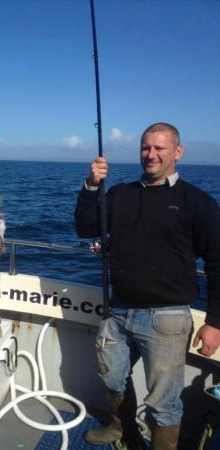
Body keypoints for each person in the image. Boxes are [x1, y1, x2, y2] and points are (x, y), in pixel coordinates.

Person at [75, 123, 220, 450]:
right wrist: (90, 185)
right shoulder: (120, 193)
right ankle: (120, 428)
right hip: (118, 310)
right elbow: (85, 228)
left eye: (159, 148)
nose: (150, 155)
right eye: (145, 148)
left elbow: (217, 264)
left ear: (177, 152)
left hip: (167, 319)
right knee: (111, 376)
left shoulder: (198, 203)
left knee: (164, 403)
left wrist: (215, 322)